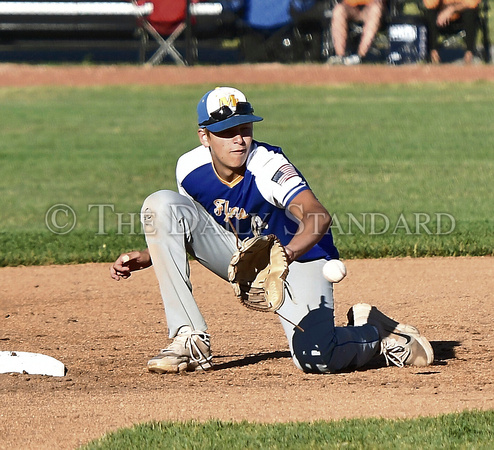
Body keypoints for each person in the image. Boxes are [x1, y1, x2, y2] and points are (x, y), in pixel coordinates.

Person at [110, 86, 434, 374]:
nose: (238, 139)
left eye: (244, 128)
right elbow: (187, 222)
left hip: (300, 259)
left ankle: (378, 335)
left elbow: (318, 216)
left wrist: (286, 255)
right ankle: (189, 338)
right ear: (204, 136)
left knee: (318, 357)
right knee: (161, 204)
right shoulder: (189, 169)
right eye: (226, 132)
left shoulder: (267, 166)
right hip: (244, 257)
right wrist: (151, 254)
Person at [328, 0, 386, 65]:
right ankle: (340, 56)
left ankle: (360, 56)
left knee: (376, 10)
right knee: (338, 11)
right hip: (350, 7)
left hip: (371, 7)